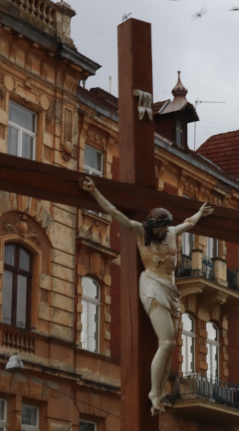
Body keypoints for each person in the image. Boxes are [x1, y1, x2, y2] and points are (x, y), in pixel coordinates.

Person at [78, 175, 213, 414]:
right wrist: (93, 191)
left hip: (171, 290)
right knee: (167, 341)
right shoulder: (141, 232)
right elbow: (114, 212)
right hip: (152, 285)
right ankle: (153, 392)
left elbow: (188, 223)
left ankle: (159, 394)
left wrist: (200, 213)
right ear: (152, 226)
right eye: (159, 227)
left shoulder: (171, 232)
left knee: (171, 345)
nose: (163, 231)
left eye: (165, 226)